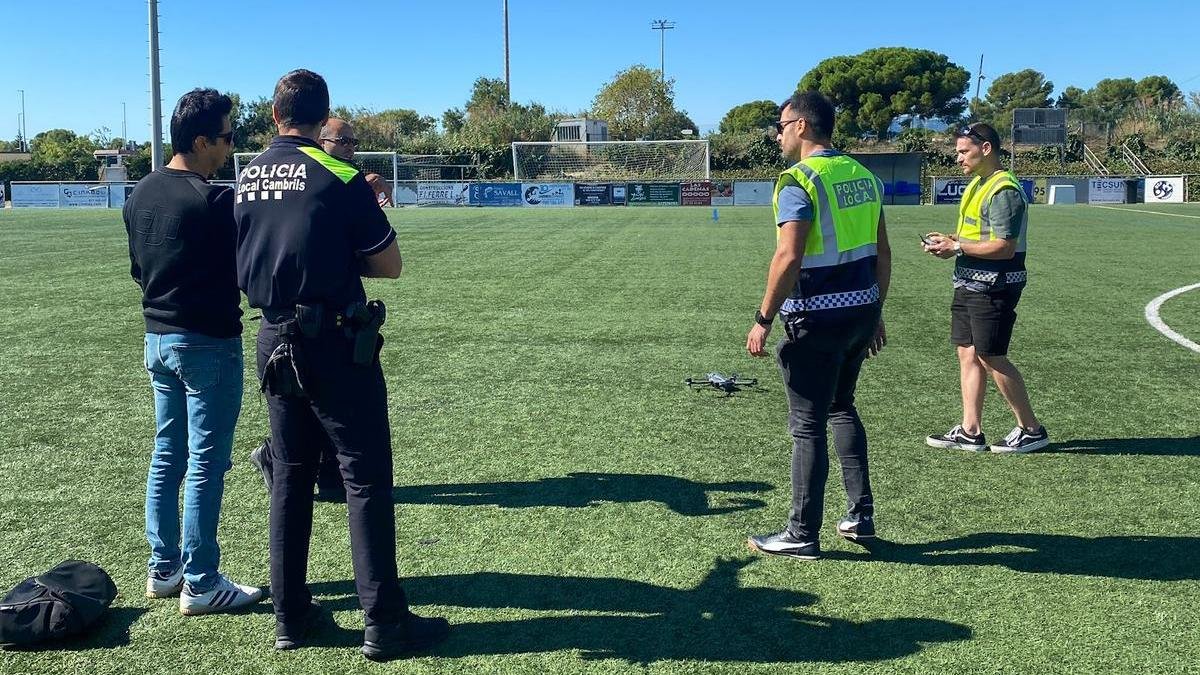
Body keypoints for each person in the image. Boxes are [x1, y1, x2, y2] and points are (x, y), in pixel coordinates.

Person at [234, 69, 448, 659]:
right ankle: (383, 623)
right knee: (364, 478)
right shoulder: (340, 175)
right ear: (322, 117)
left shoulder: (247, 177)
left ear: (275, 115)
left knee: (290, 475)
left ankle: (290, 616)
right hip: (333, 341)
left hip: (272, 337)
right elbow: (389, 265)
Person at [123, 88, 264, 614]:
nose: (231, 147)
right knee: (206, 462)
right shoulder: (212, 201)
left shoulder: (140, 194)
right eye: (226, 137)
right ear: (200, 140)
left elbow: (139, 269)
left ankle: (165, 568)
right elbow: (246, 272)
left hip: (156, 338)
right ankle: (201, 581)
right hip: (207, 342)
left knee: (167, 455)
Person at [744, 91, 891, 561]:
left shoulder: (798, 181)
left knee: (807, 425)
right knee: (842, 407)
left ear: (803, 126)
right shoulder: (864, 176)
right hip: (861, 311)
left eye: (782, 124)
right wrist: (876, 311)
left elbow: (788, 255)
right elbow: (882, 251)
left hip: (817, 316)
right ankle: (859, 515)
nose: (778, 133)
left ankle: (801, 532)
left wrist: (763, 318)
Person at [922, 122, 1049, 454]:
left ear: (987, 149)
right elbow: (973, 237)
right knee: (967, 352)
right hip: (969, 282)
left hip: (995, 286)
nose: (958, 158)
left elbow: (1004, 247)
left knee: (991, 356)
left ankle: (1031, 429)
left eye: (964, 151)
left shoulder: (1004, 189)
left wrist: (957, 247)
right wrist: (948, 243)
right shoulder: (979, 184)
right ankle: (970, 430)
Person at [320, 118, 393, 206]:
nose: (351, 148)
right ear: (322, 143)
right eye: (344, 141)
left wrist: (367, 183)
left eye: (353, 142)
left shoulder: (348, 172)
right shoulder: (309, 170)